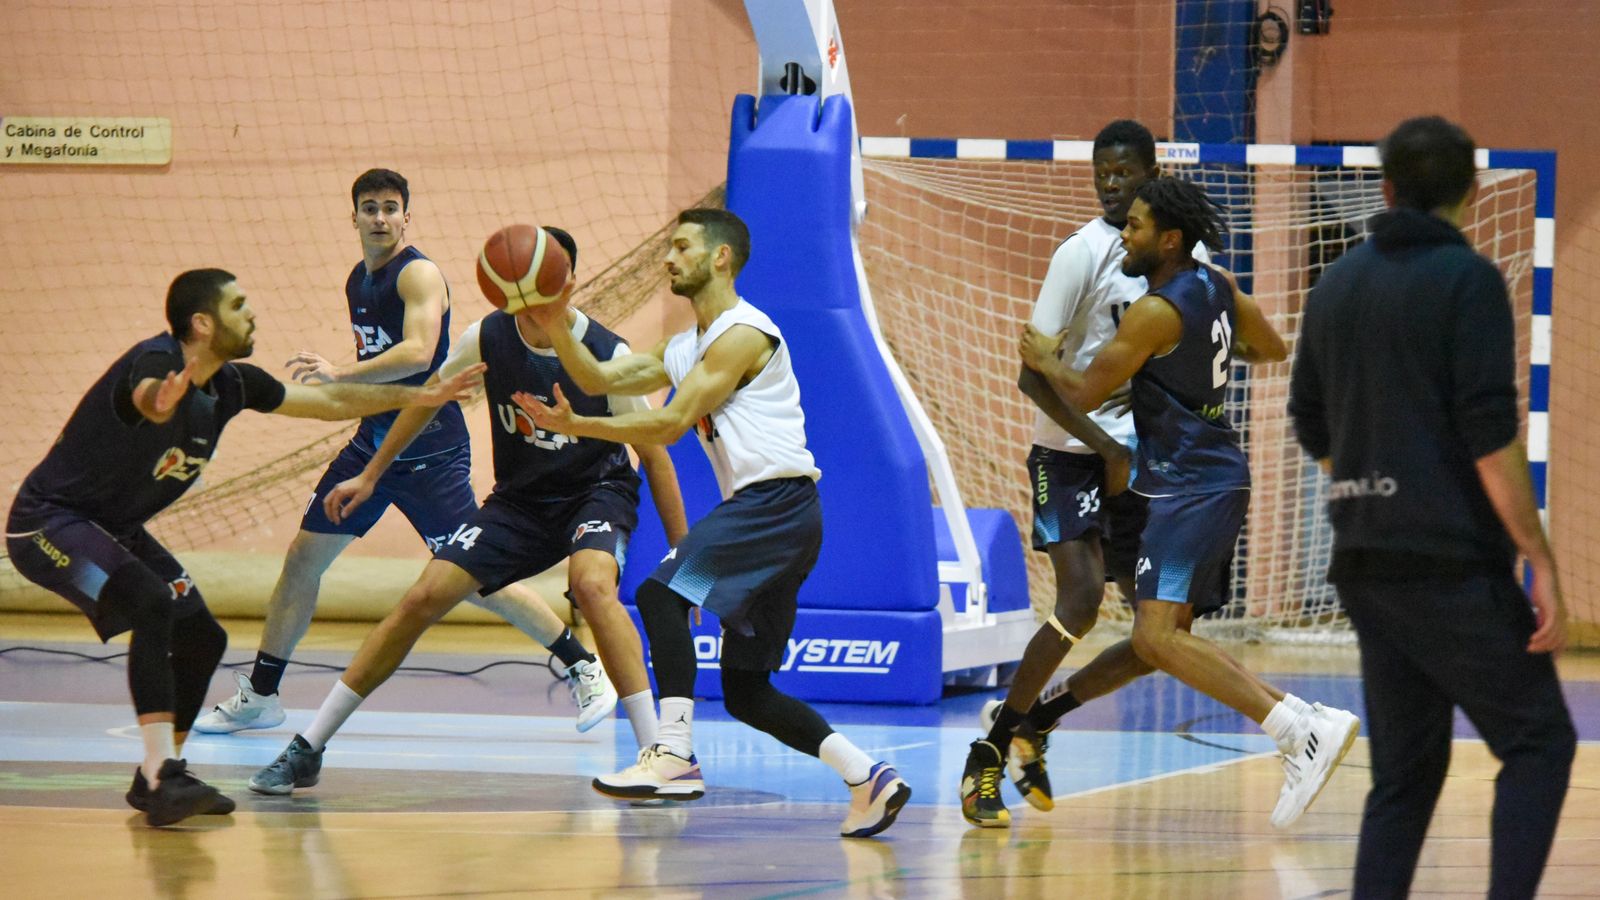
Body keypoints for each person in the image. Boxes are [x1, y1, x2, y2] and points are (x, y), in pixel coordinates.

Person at [3, 268, 484, 827]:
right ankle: (160, 777)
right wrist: (162, 403)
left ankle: (165, 770)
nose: (251, 312)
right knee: (152, 601)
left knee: (203, 635)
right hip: (47, 527)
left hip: (113, 527)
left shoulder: (232, 384)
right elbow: (149, 400)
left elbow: (329, 403)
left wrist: (423, 394)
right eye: (238, 304)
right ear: (203, 324)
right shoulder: (156, 362)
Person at [248, 226, 689, 796]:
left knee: (593, 585)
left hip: (595, 493)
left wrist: (685, 565)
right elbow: (426, 401)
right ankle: (308, 747)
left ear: (570, 283)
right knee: (422, 597)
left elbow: (655, 456)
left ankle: (661, 755)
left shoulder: (608, 355)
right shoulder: (489, 336)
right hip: (521, 502)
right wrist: (371, 473)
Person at [514, 208, 912, 839]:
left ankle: (672, 754)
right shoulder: (685, 347)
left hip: (771, 507)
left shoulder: (743, 332)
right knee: (748, 692)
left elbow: (668, 426)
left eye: (681, 247)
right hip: (779, 518)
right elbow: (598, 375)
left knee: (659, 593)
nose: (667, 258)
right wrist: (555, 317)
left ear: (720, 257)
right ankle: (868, 778)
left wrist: (577, 426)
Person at [195, 169, 615, 738]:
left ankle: (581, 663)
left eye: (390, 208)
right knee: (302, 559)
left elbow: (419, 354)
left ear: (406, 216)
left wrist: (340, 373)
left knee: (480, 579)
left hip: (430, 455)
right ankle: (262, 694)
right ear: (354, 217)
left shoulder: (417, 274)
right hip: (372, 445)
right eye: (369, 208)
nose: (380, 218)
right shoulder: (357, 280)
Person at [1007, 176, 1360, 831]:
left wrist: (1048, 358)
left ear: (1169, 239)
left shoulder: (1154, 311)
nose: (1124, 237)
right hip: (1211, 477)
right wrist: (1198, 360)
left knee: (1156, 635)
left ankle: (1291, 730)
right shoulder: (1219, 286)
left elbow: (1082, 393)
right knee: (1159, 640)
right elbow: (1272, 348)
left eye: (1136, 227)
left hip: (1189, 484)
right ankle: (1308, 719)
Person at [1288, 116, 1575, 899]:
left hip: (1362, 560)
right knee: (1540, 741)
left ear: (1384, 187)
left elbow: (1309, 419)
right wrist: (1540, 559)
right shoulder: (1469, 280)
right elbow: (1490, 435)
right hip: (1446, 563)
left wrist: (1367, 480)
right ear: (1472, 192)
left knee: (1406, 774)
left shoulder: (1336, 283)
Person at [965, 119, 1209, 826]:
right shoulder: (1082, 253)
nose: (1109, 183)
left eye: (1123, 172)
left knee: (1163, 636)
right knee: (1077, 599)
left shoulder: (1179, 264)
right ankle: (989, 751)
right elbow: (1032, 377)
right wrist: (1106, 446)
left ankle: (1041, 718)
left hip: (1147, 464)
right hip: (1071, 455)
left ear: (1151, 174)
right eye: (1101, 171)